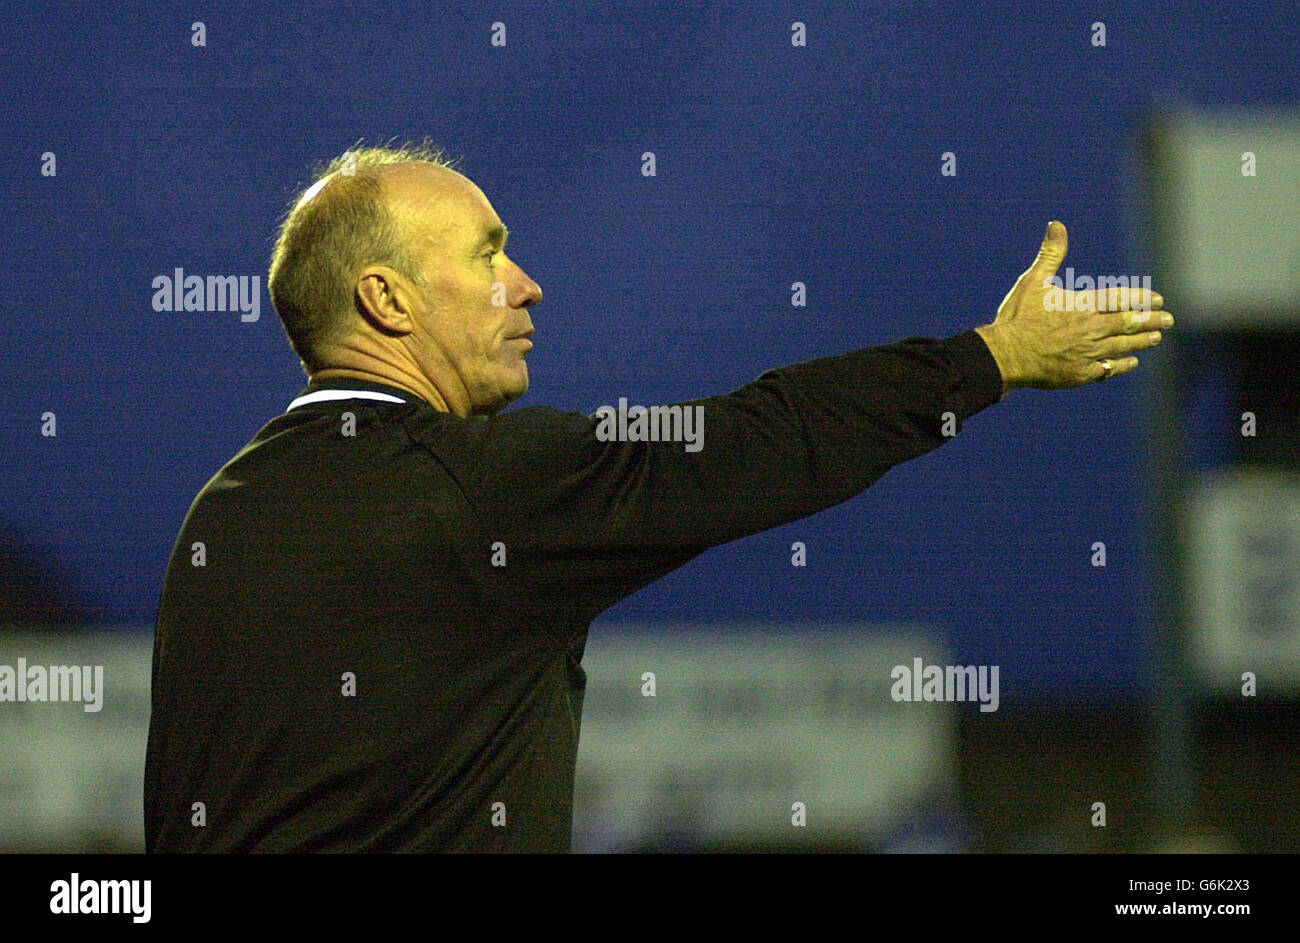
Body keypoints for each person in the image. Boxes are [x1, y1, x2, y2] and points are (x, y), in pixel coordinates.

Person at [143, 143, 1172, 852]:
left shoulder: (222, 513)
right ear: (387, 298)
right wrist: (992, 356)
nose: (527, 283)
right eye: (488, 252)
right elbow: (762, 438)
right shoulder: (477, 484)